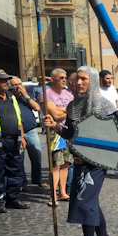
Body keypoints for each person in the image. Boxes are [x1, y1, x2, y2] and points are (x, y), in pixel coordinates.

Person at [42, 66, 118, 236]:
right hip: (79, 162)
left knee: (85, 201)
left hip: (97, 163)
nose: (79, 82)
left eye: (83, 79)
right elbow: (71, 135)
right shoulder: (73, 106)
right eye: (77, 79)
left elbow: (114, 136)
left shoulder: (105, 106)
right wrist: (55, 126)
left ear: (92, 81)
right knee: (90, 201)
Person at [0, 69, 29, 212]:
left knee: (15, 170)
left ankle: (13, 198)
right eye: (3, 80)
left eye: (7, 80)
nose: (6, 82)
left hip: (13, 140)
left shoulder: (11, 97)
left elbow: (18, 118)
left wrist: (22, 136)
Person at [9, 76, 48, 191]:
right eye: (15, 85)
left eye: (20, 84)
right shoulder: (8, 98)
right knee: (19, 158)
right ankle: (23, 182)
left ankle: (38, 179)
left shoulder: (26, 96)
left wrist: (26, 95)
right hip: (17, 132)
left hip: (31, 131)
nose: (18, 87)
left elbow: (37, 108)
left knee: (36, 156)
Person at [44, 68, 74, 205]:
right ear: (52, 79)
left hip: (68, 130)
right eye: (61, 77)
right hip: (55, 132)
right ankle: (53, 195)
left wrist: (63, 111)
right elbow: (54, 114)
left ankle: (62, 192)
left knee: (66, 163)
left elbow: (74, 112)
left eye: (65, 77)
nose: (64, 80)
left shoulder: (69, 94)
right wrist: (67, 111)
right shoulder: (46, 94)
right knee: (56, 164)